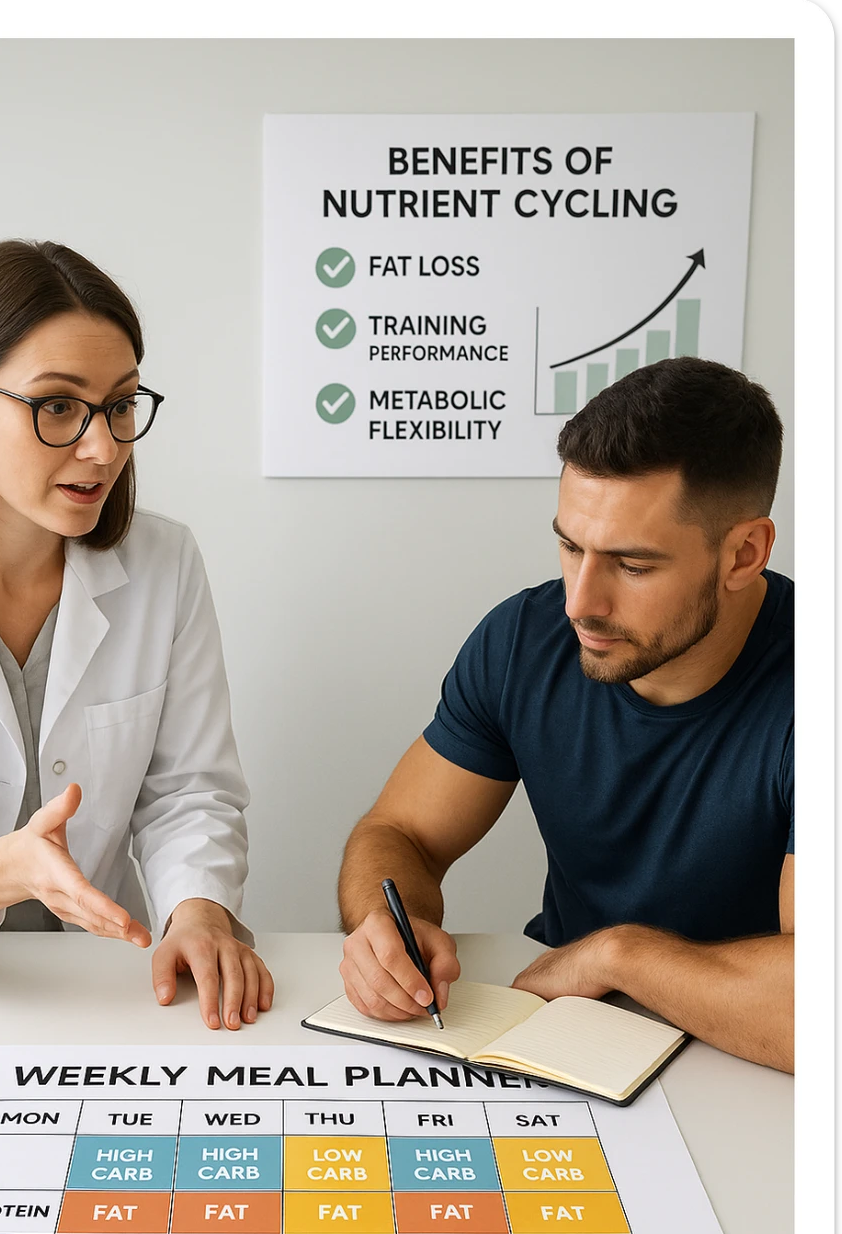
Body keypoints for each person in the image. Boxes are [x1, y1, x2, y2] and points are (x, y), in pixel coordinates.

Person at [337, 357, 794, 1073]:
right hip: (570, 1039)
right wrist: (387, 923)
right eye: (570, 545)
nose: (580, 602)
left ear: (744, 553)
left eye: (633, 566)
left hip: (751, 1068)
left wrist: (620, 954)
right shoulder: (523, 639)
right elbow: (401, 833)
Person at [0, 238, 273, 1031]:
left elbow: (189, 791)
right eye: (58, 406)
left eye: (121, 405)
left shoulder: (163, 562)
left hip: (105, 990)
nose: (104, 446)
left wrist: (198, 911)